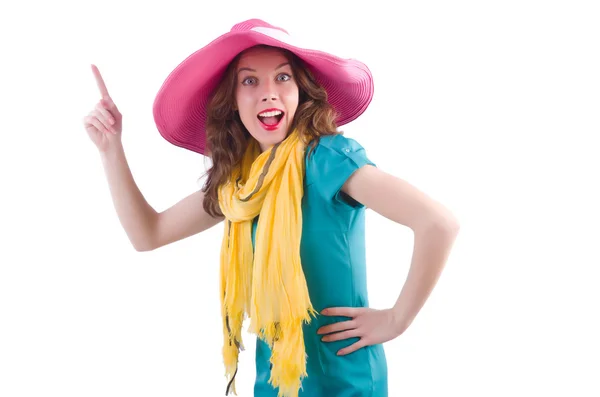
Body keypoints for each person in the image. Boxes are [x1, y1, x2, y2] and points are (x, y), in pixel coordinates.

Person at [83, 19, 460, 397]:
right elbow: (148, 234)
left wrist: (397, 319)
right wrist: (110, 148)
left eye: (283, 78)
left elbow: (438, 224)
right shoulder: (240, 185)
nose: (269, 93)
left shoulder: (328, 161)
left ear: (301, 92)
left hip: (343, 381)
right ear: (231, 100)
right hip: (275, 383)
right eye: (250, 81)